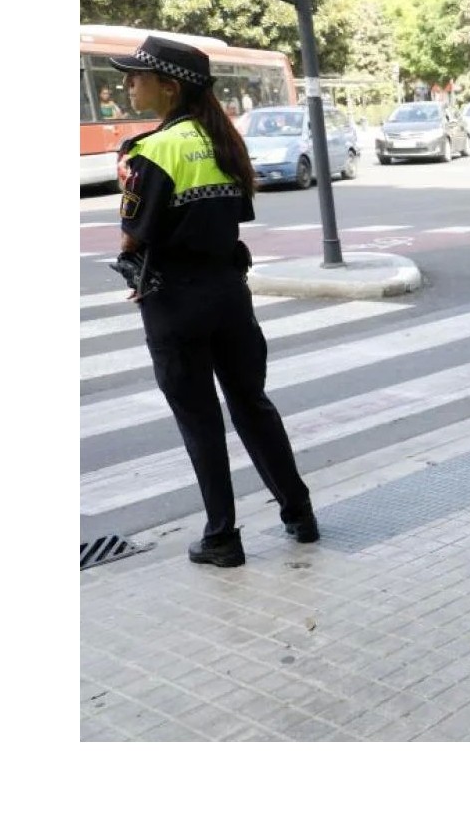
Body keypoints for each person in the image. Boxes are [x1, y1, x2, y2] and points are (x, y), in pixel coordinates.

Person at [110, 36, 318, 568]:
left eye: (137, 76)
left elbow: (135, 230)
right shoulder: (224, 141)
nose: (129, 84)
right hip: (230, 294)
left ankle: (222, 537)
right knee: (253, 405)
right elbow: (234, 217)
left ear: (169, 86)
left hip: (174, 301)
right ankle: (299, 513)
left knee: (200, 419)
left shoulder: (155, 149)